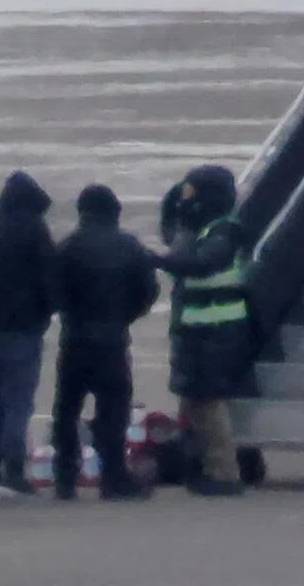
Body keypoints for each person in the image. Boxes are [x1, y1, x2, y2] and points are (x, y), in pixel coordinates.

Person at [51, 184, 160, 501]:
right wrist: (125, 316)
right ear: (115, 212)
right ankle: (113, 477)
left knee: (67, 410)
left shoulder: (68, 246)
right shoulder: (130, 246)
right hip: (112, 339)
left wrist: (72, 315)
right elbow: (149, 291)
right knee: (114, 409)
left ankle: (65, 478)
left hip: (75, 339)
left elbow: (54, 292)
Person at [152, 165, 252, 497]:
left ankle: (224, 472)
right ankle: (199, 466)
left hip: (218, 329)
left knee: (209, 401)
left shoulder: (225, 231)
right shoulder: (200, 227)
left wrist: (154, 260)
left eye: (192, 193)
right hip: (195, 329)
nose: (187, 199)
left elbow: (201, 262)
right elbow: (174, 238)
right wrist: (176, 209)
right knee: (192, 400)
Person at [0, 170, 57, 495]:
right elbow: (49, 280)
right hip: (23, 330)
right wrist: (45, 315)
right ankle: (13, 470)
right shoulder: (36, 229)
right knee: (18, 403)